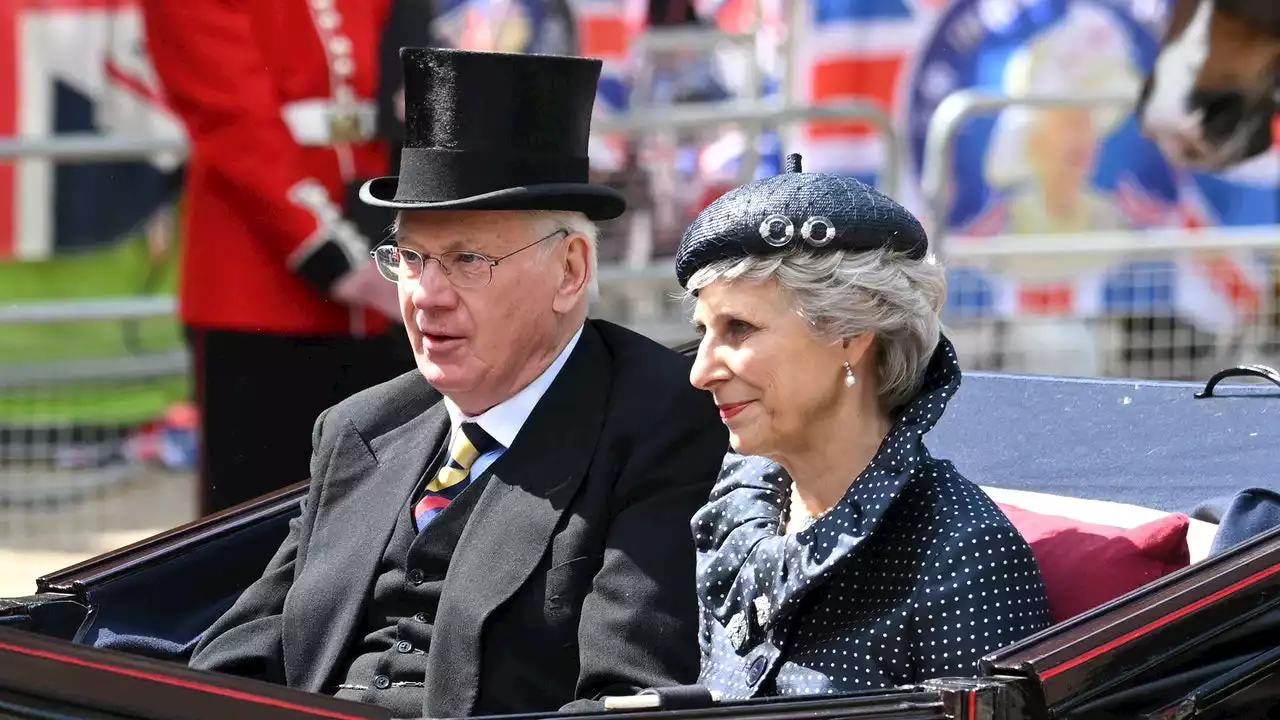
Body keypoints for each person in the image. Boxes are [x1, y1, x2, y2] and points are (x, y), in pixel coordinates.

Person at [186, 47, 729, 719]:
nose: (426, 296)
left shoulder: (664, 420)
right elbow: (234, 660)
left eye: (467, 259)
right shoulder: (362, 427)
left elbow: (626, 690)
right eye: (411, 258)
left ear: (570, 270)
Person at [675, 153, 1051, 699]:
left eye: (740, 328)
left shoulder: (962, 554)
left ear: (851, 332)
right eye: (704, 331)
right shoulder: (743, 525)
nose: (700, 371)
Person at [140, 0, 417, 515]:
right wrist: (329, 254)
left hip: (381, 262)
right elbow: (234, 124)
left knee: (380, 515)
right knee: (258, 520)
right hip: (259, 285)